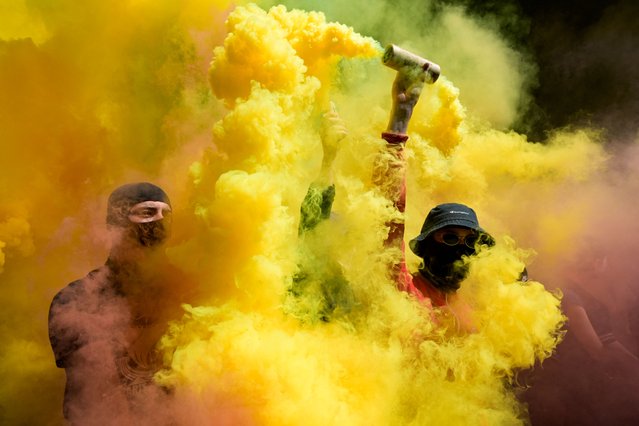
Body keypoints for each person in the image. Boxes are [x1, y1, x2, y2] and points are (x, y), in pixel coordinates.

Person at [48, 182, 195, 423]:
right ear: (116, 223)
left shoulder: (192, 294)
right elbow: (86, 394)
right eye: (147, 212)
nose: (160, 221)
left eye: (166, 214)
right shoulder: (75, 301)